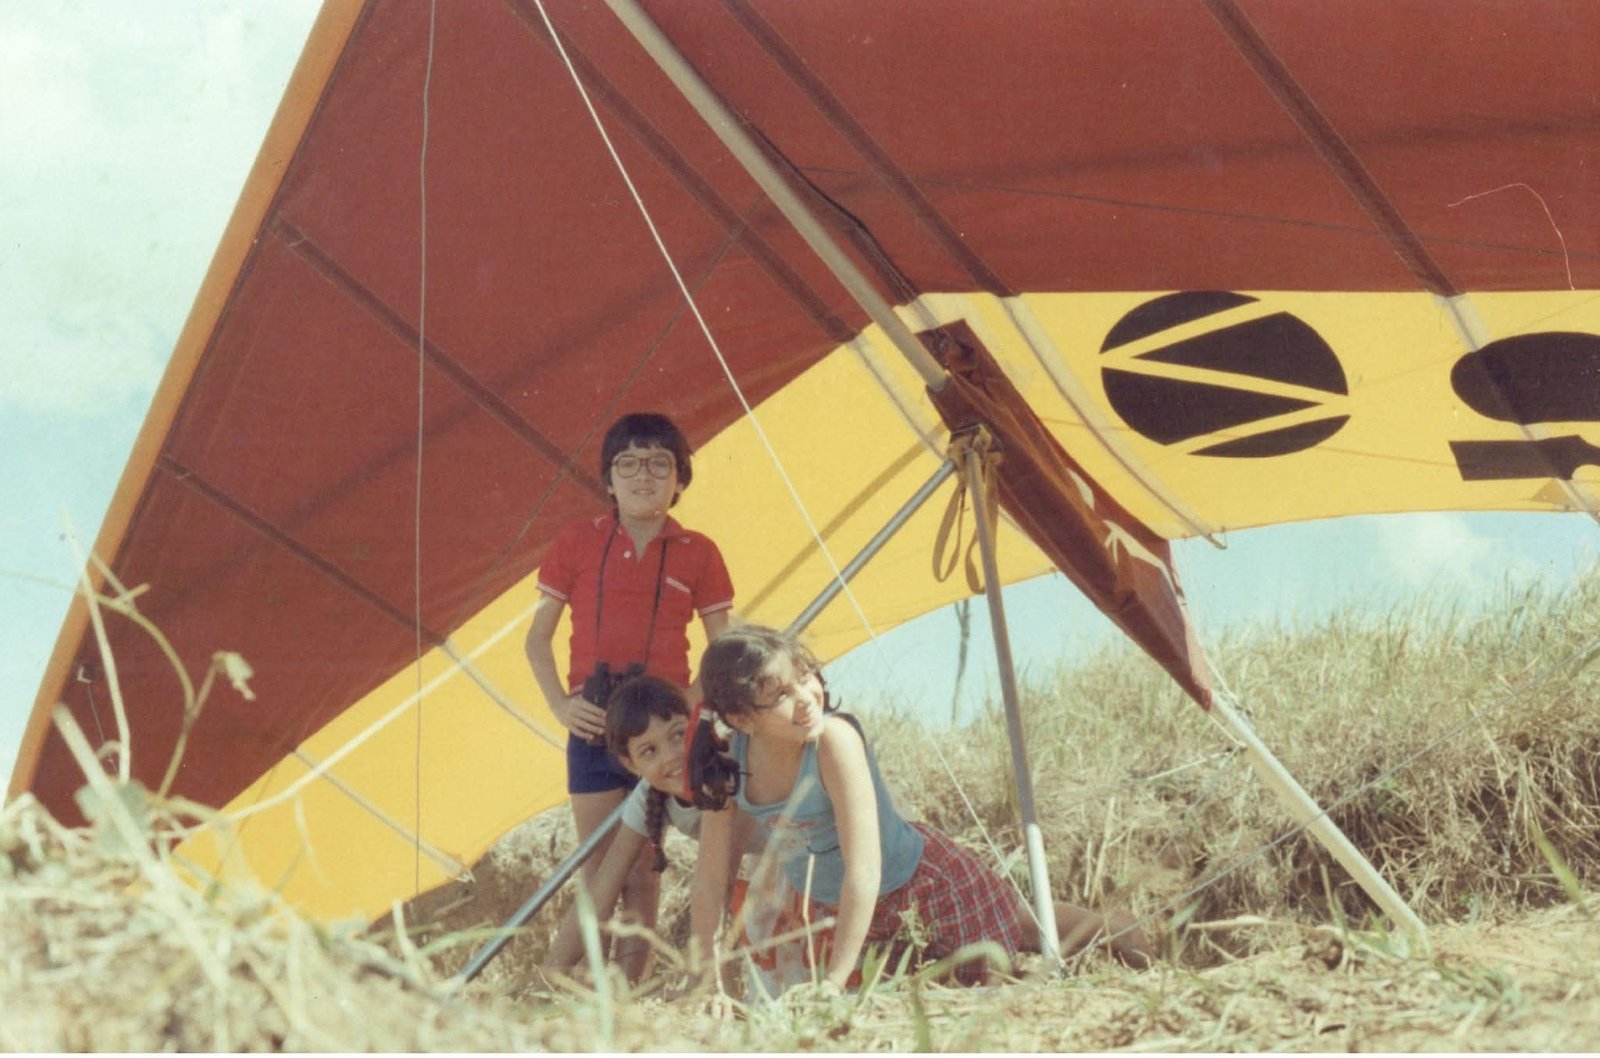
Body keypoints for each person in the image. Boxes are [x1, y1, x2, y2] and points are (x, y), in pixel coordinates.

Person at [687, 624, 1155, 990]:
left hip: (923, 883)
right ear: (742, 719)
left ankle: (1116, 932)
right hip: (857, 912)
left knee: (990, 980)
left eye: (805, 678)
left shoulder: (832, 741)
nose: (807, 699)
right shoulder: (728, 765)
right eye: (781, 696)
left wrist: (833, 981)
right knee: (997, 941)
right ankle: (1106, 929)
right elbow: (710, 881)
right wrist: (707, 980)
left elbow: (864, 869)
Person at [525, 412, 734, 981]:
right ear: (609, 479)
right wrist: (561, 706)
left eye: (660, 464)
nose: (644, 475)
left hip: (660, 732)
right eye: (629, 464)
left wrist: (686, 711)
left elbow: (722, 651)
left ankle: (629, 993)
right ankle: (587, 993)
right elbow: (536, 640)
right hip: (593, 722)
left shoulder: (700, 552)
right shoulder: (575, 542)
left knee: (644, 866)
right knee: (599, 865)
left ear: (680, 479)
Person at [541, 674, 769, 978]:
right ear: (631, 765)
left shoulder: (725, 767)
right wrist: (549, 977)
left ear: (697, 723)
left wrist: (704, 983)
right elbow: (602, 889)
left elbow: (718, 883)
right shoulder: (649, 794)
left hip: (806, 853)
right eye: (649, 751)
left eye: (678, 734)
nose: (672, 755)